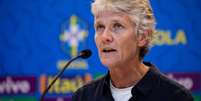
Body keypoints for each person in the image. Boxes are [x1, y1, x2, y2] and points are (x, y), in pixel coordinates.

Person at [72, 0, 193, 101]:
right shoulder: (83, 97)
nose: (104, 37)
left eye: (117, 26)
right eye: (100, 27)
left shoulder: (175, 97)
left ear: (142, 37)